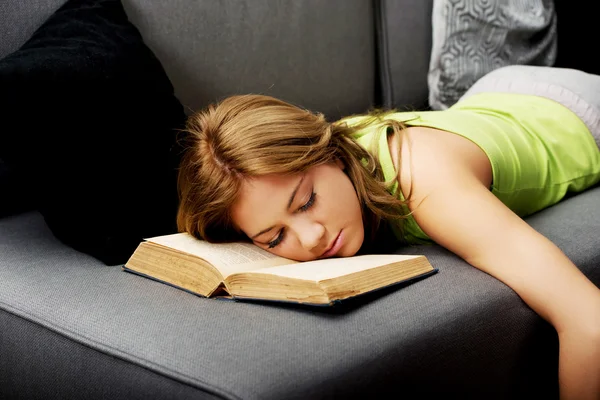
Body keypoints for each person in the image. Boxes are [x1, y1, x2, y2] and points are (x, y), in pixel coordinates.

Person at [176, 65, 600, 399]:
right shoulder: (322, 170)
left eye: (306, 202)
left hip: (578, 108)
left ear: (333, 156)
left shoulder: (425, 179)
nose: (311, 238)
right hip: (489, 97)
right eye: (273, 238)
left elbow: (587, 319)